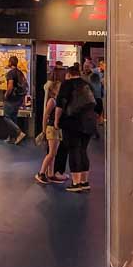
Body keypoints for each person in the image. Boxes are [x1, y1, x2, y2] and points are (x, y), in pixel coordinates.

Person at [55, 64, 99, 193]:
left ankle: (76, 183)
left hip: (72, 122)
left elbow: (60, 104)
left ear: (68, 74)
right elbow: (96, 102)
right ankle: (85, 181)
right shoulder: (87, 84)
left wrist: (57, 121)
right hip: (89, 122)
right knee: (83, 150)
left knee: (74, 150)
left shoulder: (67, 84)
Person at [35, 79, 68, 184]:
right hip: (52, 128)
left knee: (53, 153)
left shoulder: (57, 100)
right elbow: (46, 115)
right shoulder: (52, 101)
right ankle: (41, 173)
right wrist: (44, 130)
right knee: (52, 153)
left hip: (55, 129)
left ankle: (50, 173)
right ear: (54, 90)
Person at [2, 55, 27, 144]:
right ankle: (13, 138)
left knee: (6, 117)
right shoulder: (20, 73)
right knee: (13, 117)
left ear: (10, 62)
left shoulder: (11, 73)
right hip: (19, 98)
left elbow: (10, 86)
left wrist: (6, 95)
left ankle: (19, 133)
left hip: (12, 98)